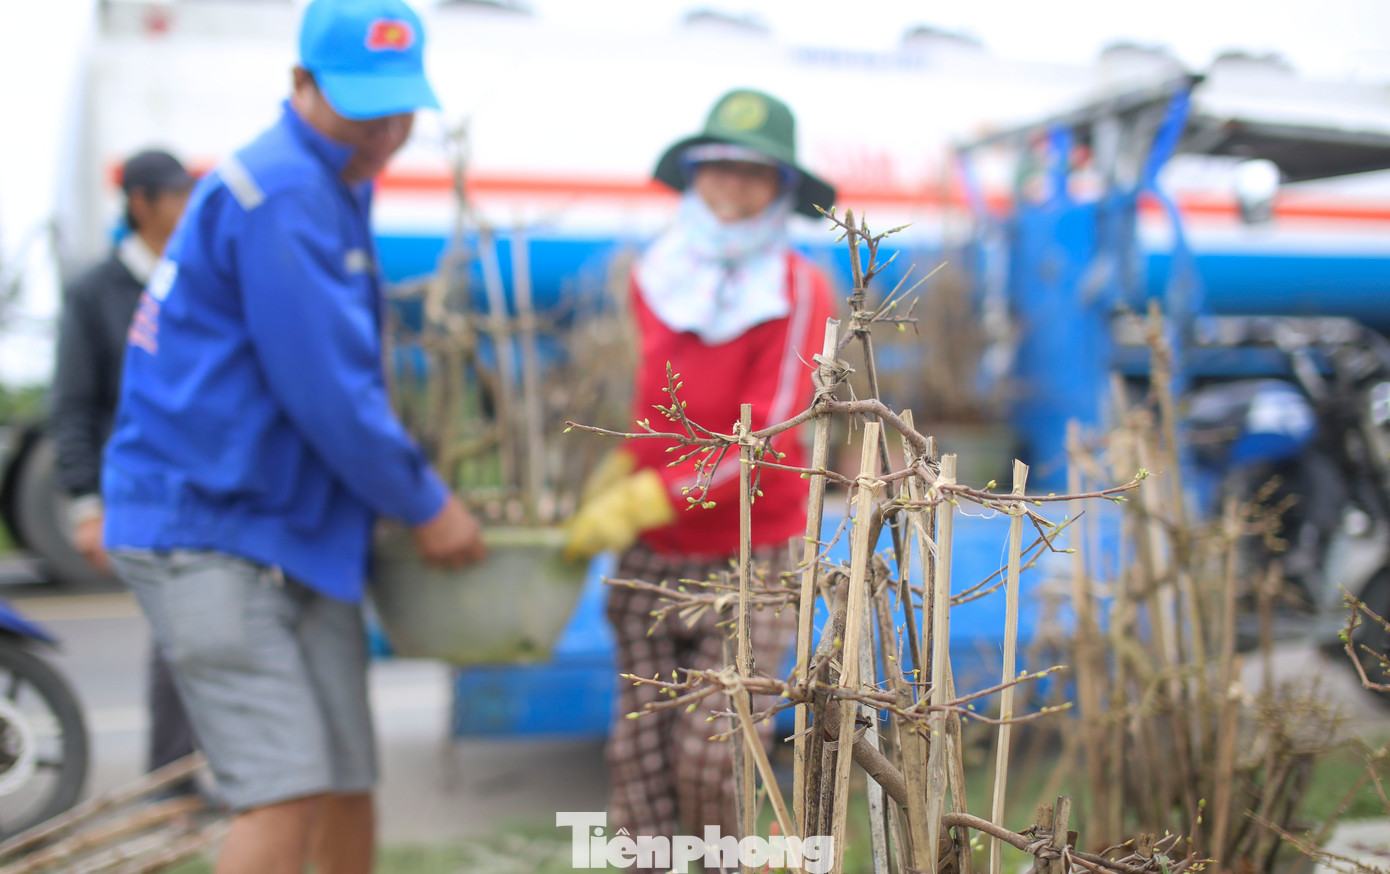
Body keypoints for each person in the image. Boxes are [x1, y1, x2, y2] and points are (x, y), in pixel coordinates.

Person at [100, 1, 486, 872]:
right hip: (211, 528)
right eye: (363, 105)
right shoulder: (283, 192)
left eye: (400, 107)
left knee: (346, 774)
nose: (387, 130)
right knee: (283, 786)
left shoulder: (335, 177)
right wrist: (427, 505)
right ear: (301, 86)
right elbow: (329, 394)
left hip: (288, 530)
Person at [564, 88, 837, 855]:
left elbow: (769, 438)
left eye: (753, 173)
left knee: (713, 757)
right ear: (693, 175)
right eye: (717, 167)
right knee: (640, 761)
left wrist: (651, 495)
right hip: (654, 553)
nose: (731, 187)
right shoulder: (659, 272)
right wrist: (625, 466)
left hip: (753, 551)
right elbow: (654, 402)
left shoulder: (798, 289)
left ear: (781, 188)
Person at [50, 148, 198, 783]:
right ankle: (172, 776)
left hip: (199, 487)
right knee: (176, 633)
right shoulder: (97, 293)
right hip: (135, 488)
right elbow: (75, 402)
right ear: (141, 203)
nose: (188, 206)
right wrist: (87, 504)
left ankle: (184, 771)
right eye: (176, 195)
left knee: (195, 633)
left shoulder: (195, 279)